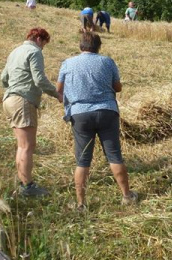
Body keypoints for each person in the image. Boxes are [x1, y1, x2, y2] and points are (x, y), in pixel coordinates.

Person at [56, 32, 137, 210]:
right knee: (114, 154)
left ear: (80, 46)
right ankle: (126, 195)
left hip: (80, 114)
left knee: (83, 160)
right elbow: (117, 87)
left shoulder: (68, 63)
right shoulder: (107, 62)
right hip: (107, 111)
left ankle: (81, 204)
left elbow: (59, 90)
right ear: (98, 47)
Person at [0, 28, 62, 197]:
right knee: (27, 146)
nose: (43, 48)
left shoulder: (15, 51)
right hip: (23, 100)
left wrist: (13, 89)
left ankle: (24, 183)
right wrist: (57, 94)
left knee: (22, 146)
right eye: (44, 43)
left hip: (9, 100)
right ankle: (27, 187)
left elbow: (3, 78)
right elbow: (39, 79)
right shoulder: (34, 52)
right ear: (39, 39)